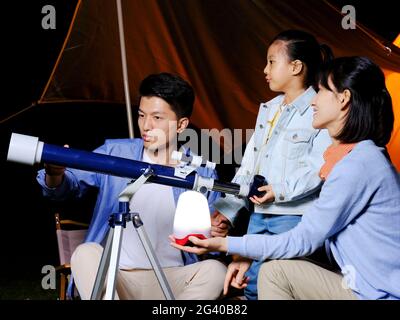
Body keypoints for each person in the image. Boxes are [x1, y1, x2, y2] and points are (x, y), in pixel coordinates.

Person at [171, 56, 400, 300]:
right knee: (275, 272)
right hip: (361, 287)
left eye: (321, 90)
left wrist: (225, 245)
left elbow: (303, 240)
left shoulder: (359, 165)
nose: (313, 100)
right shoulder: (353, 158)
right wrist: (246, 252)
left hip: (377, 295)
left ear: (343, 99)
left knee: (275, 273)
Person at [37, 72, 227, 300]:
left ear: (181, 124)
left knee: (215, 271)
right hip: (118, 279)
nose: (146, 125)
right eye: (141, 115)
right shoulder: (116, 153)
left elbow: (212, 243)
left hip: (172, 279)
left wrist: (217, 231)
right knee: (85, 253)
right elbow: (67, 187)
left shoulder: (201, 172)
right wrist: (55, 173)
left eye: (157, 118)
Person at [211, 30, 333, 300]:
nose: (265, 69)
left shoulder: (320, 108)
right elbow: (248, 167)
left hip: (295, 219)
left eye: (271, 62)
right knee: (252, 285)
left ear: (295, 67)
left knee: (281, 282)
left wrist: (278, 189)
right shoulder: (268, 109)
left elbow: (319, 170)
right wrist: (228, 210)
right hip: (258, 214)